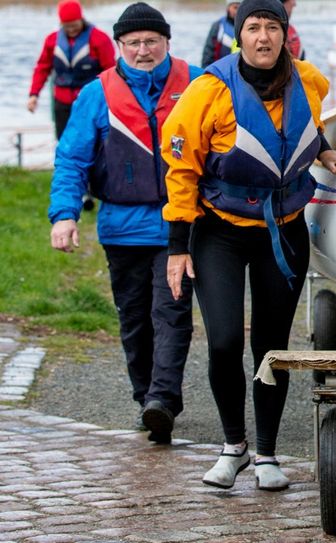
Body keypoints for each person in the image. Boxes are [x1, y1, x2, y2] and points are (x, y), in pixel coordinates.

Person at [162, 0, 336, 491]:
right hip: (219, 231)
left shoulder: (311, 81)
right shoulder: (208, 90)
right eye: (253, 28)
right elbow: (181, 169)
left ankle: (266, 453)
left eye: (272, 28)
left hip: (284, 230)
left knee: (270, 347)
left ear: (286, 33)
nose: (263, 37)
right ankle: (232, 446)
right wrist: (178, 245)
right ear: (240, 34)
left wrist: (325, 151)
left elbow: (307, 128)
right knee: (223, 340)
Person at [47, 2, 201, 445]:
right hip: (120, 226)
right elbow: (71, 160)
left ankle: (163, 399)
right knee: (134, 319)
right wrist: (64, 215)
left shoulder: (194, 83)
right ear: (118, 46)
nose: (142, 50)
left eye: (151, 41)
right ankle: (146, 399)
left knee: (171, 311)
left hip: (178, 227)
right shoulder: (97, 94)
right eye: (132, 43)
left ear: (167, 42)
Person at [28, 0, 116, 140]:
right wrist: (34, 95)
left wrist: (112, 99)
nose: (71, 29)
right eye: (67, 26)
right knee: (64, 142)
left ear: (81, 19)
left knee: (92, 142)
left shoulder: (99, 39)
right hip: (62, 103)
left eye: (74, 25)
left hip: (91, 101)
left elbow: (110, 71)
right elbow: (42, 68)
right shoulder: (52, 40)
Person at [202, 0, 240, 67]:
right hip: (220, 71)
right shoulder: (218, 26)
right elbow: (208, 54)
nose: (237, 11)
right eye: (235, 7)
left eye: (240, 8)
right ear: (228, 8)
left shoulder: (249, 26)